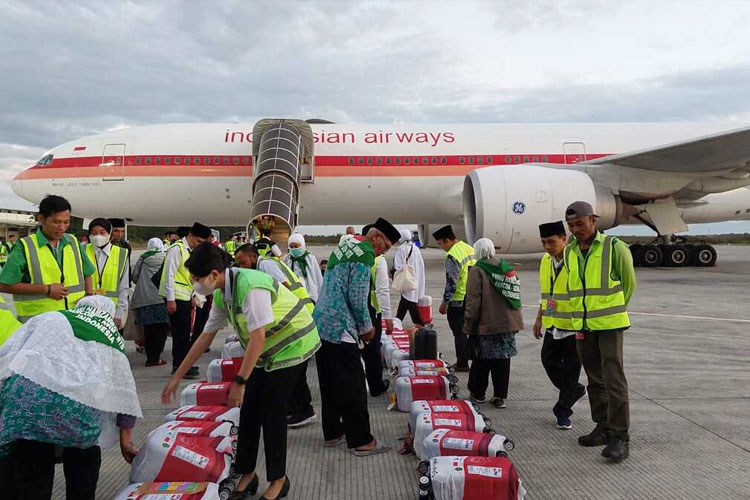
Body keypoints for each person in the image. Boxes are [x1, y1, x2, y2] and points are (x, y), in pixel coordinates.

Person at [161, 243, 320, 500]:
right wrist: (176, 376)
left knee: (272, 413)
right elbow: (205, 337)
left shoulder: (250, 285)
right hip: (267, 350)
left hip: (292, 344)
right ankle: (247, 473)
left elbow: (256, 337)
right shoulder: (225, 291)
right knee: (248, 412)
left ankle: (279, 479)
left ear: (214, 274)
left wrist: (241, 381)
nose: (194, 283)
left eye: (196, 278)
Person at [0, 295, 141, 500]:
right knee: (84, 457)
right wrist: (125, 440)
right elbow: (125, 390)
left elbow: (7, 356)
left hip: (27, 404)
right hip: (77, 411)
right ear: (107, 315)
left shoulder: (50, 317)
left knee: (32, 466)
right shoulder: (110, 335)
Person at [313, 218, 401, 456]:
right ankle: (361, 440)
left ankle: (333, 433)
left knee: (330, 382)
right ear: (376, 237)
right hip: (341, 326)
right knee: (353, 386)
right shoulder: (364, 255)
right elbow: (357, 296)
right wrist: (367, 327)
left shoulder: (344, 246)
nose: (384, 252)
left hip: (322, 323)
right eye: (386, 246)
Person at [564, 201, 636, 462]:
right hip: (583, 325)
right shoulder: (570, 251)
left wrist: (612, 312)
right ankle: (603, 426)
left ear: (593, 221)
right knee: (595, 379)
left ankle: (620, 437)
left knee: (614, 379)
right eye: (571, 225)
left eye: (580, 224)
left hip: (609, 325)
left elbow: (628, 283)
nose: (575, 229)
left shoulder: (614, 247)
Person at [235, 243, 317, 427]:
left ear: (253, 257)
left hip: (298, 314)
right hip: (298, 312)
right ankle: (298, 409)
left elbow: (283, 287)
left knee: (294, 371)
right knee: (293, 372)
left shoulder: (265, 265)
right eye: (237, 263)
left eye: (243, 262)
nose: (241, 267)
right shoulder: (262, 266)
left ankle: (303, 410)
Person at [0, 195, 95, 323]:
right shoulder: (25, 247)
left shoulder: (73, 242)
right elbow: (4, 285)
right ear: (41, 219)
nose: (61, 227)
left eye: (66, 222)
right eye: (56, 222)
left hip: (74, 321)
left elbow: (87, 272)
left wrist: (88, 296)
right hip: (40, 325)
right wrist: (46, 289)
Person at [532, 221, 586, 430]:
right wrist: (539, 318)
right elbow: (545, 294)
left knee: (572, 370)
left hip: (574, 326)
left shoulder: (576, 260)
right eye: (544, 242)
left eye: (551, 242)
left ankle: (563, 411)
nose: (547, 246)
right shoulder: (546, 261)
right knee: (549, 362)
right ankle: (575, 390)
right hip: (553, 323)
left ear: (564, 239)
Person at [463, 238, 523, 409]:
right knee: (503, 361)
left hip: (487, 324)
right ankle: (499, 396)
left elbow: (473, 301)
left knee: (482, 359)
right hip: (508, 323)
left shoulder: (478, 270)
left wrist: (469, 324)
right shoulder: (507, 268)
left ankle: (478, 393)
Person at [159, 221, 212, 379]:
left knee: (184, 332)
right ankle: (179, 365)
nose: (199, 245)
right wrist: (170, 299)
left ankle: (183, 364)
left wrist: (195, 295)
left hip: (186, 296)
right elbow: (169, 275)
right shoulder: (177, 249)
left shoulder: (190, 250)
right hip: (176, 297)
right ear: (189, 235)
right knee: (180, 333)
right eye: (198, 241)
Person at [433, 225, 476, 372]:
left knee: (459, 333)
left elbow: (452, 282)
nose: (441, 247)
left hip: (458, 301)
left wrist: (444, 303)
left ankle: (462, 362)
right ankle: (473, 359)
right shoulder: (468, 248)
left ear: (447, 241)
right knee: (470, 331)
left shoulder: (453, 255)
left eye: (440, 244)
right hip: (472, 297)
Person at [360, 223, 392, 397]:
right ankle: (376, 385)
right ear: (374, 238)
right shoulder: (378, 260)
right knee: (372, 351)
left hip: (357, 310)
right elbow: (382, 290)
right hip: (372, 311)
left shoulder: (358, 255)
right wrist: (387, 316)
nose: (385, 251)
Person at [85, 218, 130, 329]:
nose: (98, 236)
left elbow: (124, 287)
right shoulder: (82, 250)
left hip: (111, 311)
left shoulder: (122, 254)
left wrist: (119, 314)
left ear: (109, 234)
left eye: (102, 232)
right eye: (93, 233)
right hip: (86, 310)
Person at [132, 238, 169, 367]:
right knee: (161, 329)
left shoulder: (143, 258)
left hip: (144, 299)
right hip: (162, 298)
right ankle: (156, 356)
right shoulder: (166, 256)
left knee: (148, 330)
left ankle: (150, 357)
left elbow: (135, 277)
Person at [394, 228, 426, 326]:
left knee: (409, 301)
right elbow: (421, 264)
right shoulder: (415, 248)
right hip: (415, 278)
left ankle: (419, 323)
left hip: (406, 279)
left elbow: (398, 266)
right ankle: (397, 320)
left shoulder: (401, 249)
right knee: (406, 300)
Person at [283, 233, 324, 303]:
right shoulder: (287, 259)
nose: (294, 249)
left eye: (296, 246)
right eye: (291, 247)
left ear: (302, 245)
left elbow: (318, 278)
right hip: (293, 296)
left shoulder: (310, 259)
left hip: (310, 296)